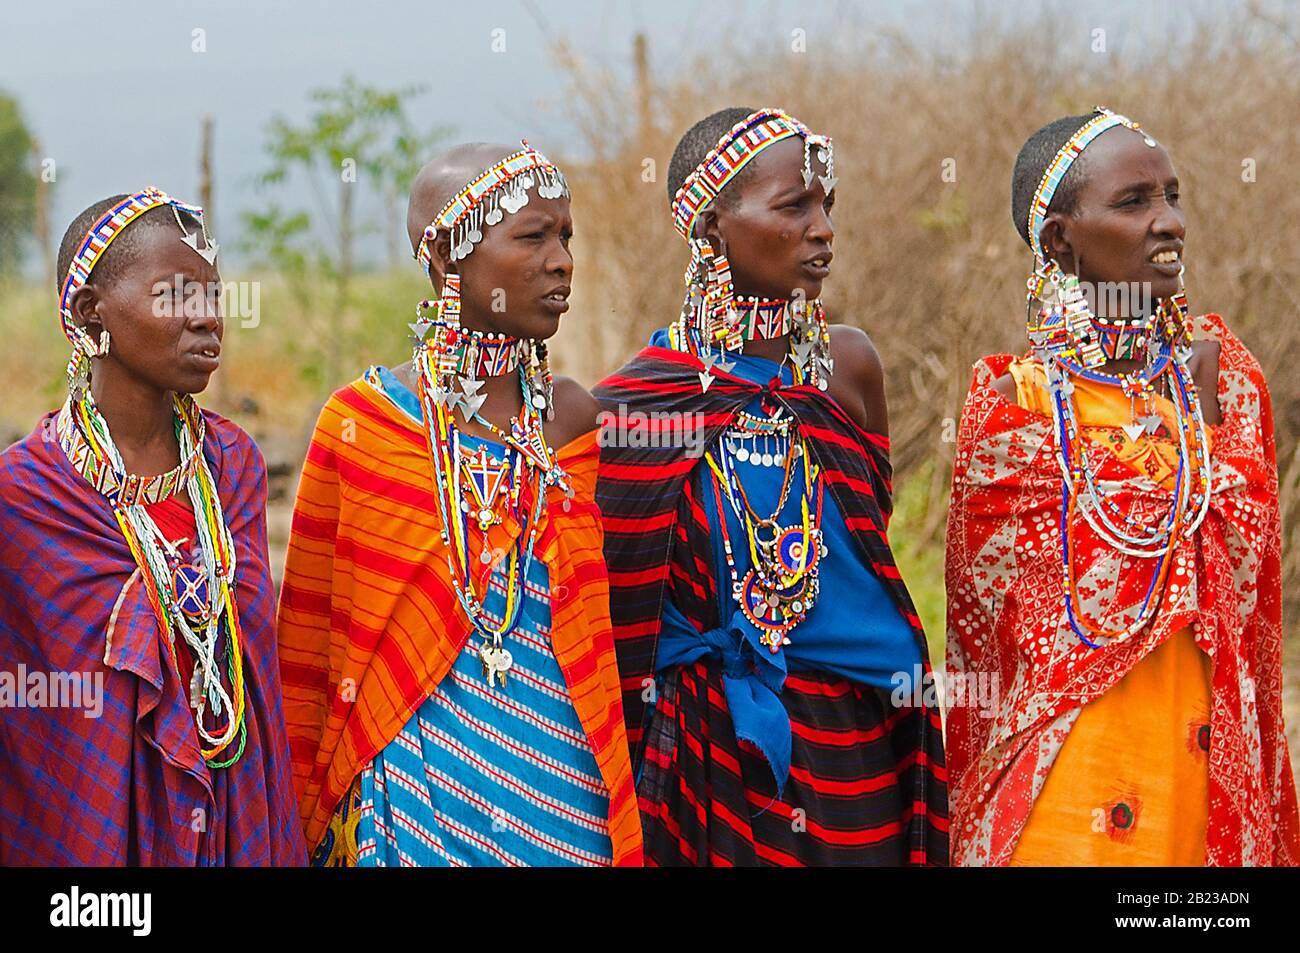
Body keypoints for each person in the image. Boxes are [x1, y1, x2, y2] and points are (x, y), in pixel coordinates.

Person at [945, 108, 1300, 866]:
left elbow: (1246, 591)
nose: (1168, 221)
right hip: (1063, 801)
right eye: (1134, 202)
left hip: (1199, 787)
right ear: (1058, 239)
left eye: (1171, 196)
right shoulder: (1017, 407)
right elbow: (997, 644)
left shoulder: (1220, 380)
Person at [594, 107, 948, 866]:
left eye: (828, 206)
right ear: (714, 229)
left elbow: (864, 542)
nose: (823, 229)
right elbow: (622, 622)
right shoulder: (633, 408)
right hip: (709, 759)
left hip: (858, 751)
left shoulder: (847, 370)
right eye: (794, 207)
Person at [276, 142, 642, 866]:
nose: (563, 260)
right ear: (446, 258)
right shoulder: (362, 425)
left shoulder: (571, 420)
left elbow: (597, 630)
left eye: (566, 235)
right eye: (534, 236)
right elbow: (311, 645)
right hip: (410, 797)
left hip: (566, 792)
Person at [0, 188, 306, 865]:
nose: (208, 318)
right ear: (89, 314)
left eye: (213, 294)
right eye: (175, 295)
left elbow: (250, 682)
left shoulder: (234, 470)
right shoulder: (21, 500)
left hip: (232, 822)